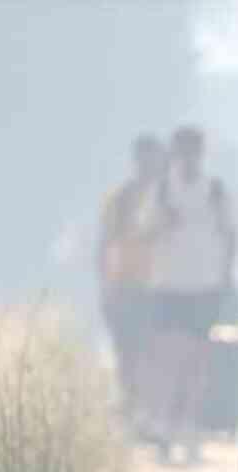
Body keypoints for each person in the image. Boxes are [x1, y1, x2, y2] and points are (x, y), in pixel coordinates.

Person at [140, 125, 238, 463]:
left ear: (202, 152)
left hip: (205, 285)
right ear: (175, 152)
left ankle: (191, 427)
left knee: (198, 359)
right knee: (170, 357)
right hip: (168, 283)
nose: (188, 157)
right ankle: (165, 424)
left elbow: (231, 235)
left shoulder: (216, 190)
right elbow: (144, 232)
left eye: (194, 150)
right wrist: (163, 221)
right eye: (183, 150)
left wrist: (226, 277)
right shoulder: (163, 189)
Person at [98, 134, 164, 418]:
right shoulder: (120, 198)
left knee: (153, 351)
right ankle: (130, 407)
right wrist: (106, 284)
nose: (148, 164)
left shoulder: (168, 198)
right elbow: (105, 242)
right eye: (144, 157)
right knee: (126, 351)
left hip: (160, 286)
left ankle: (147, 411)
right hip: (125, 283)